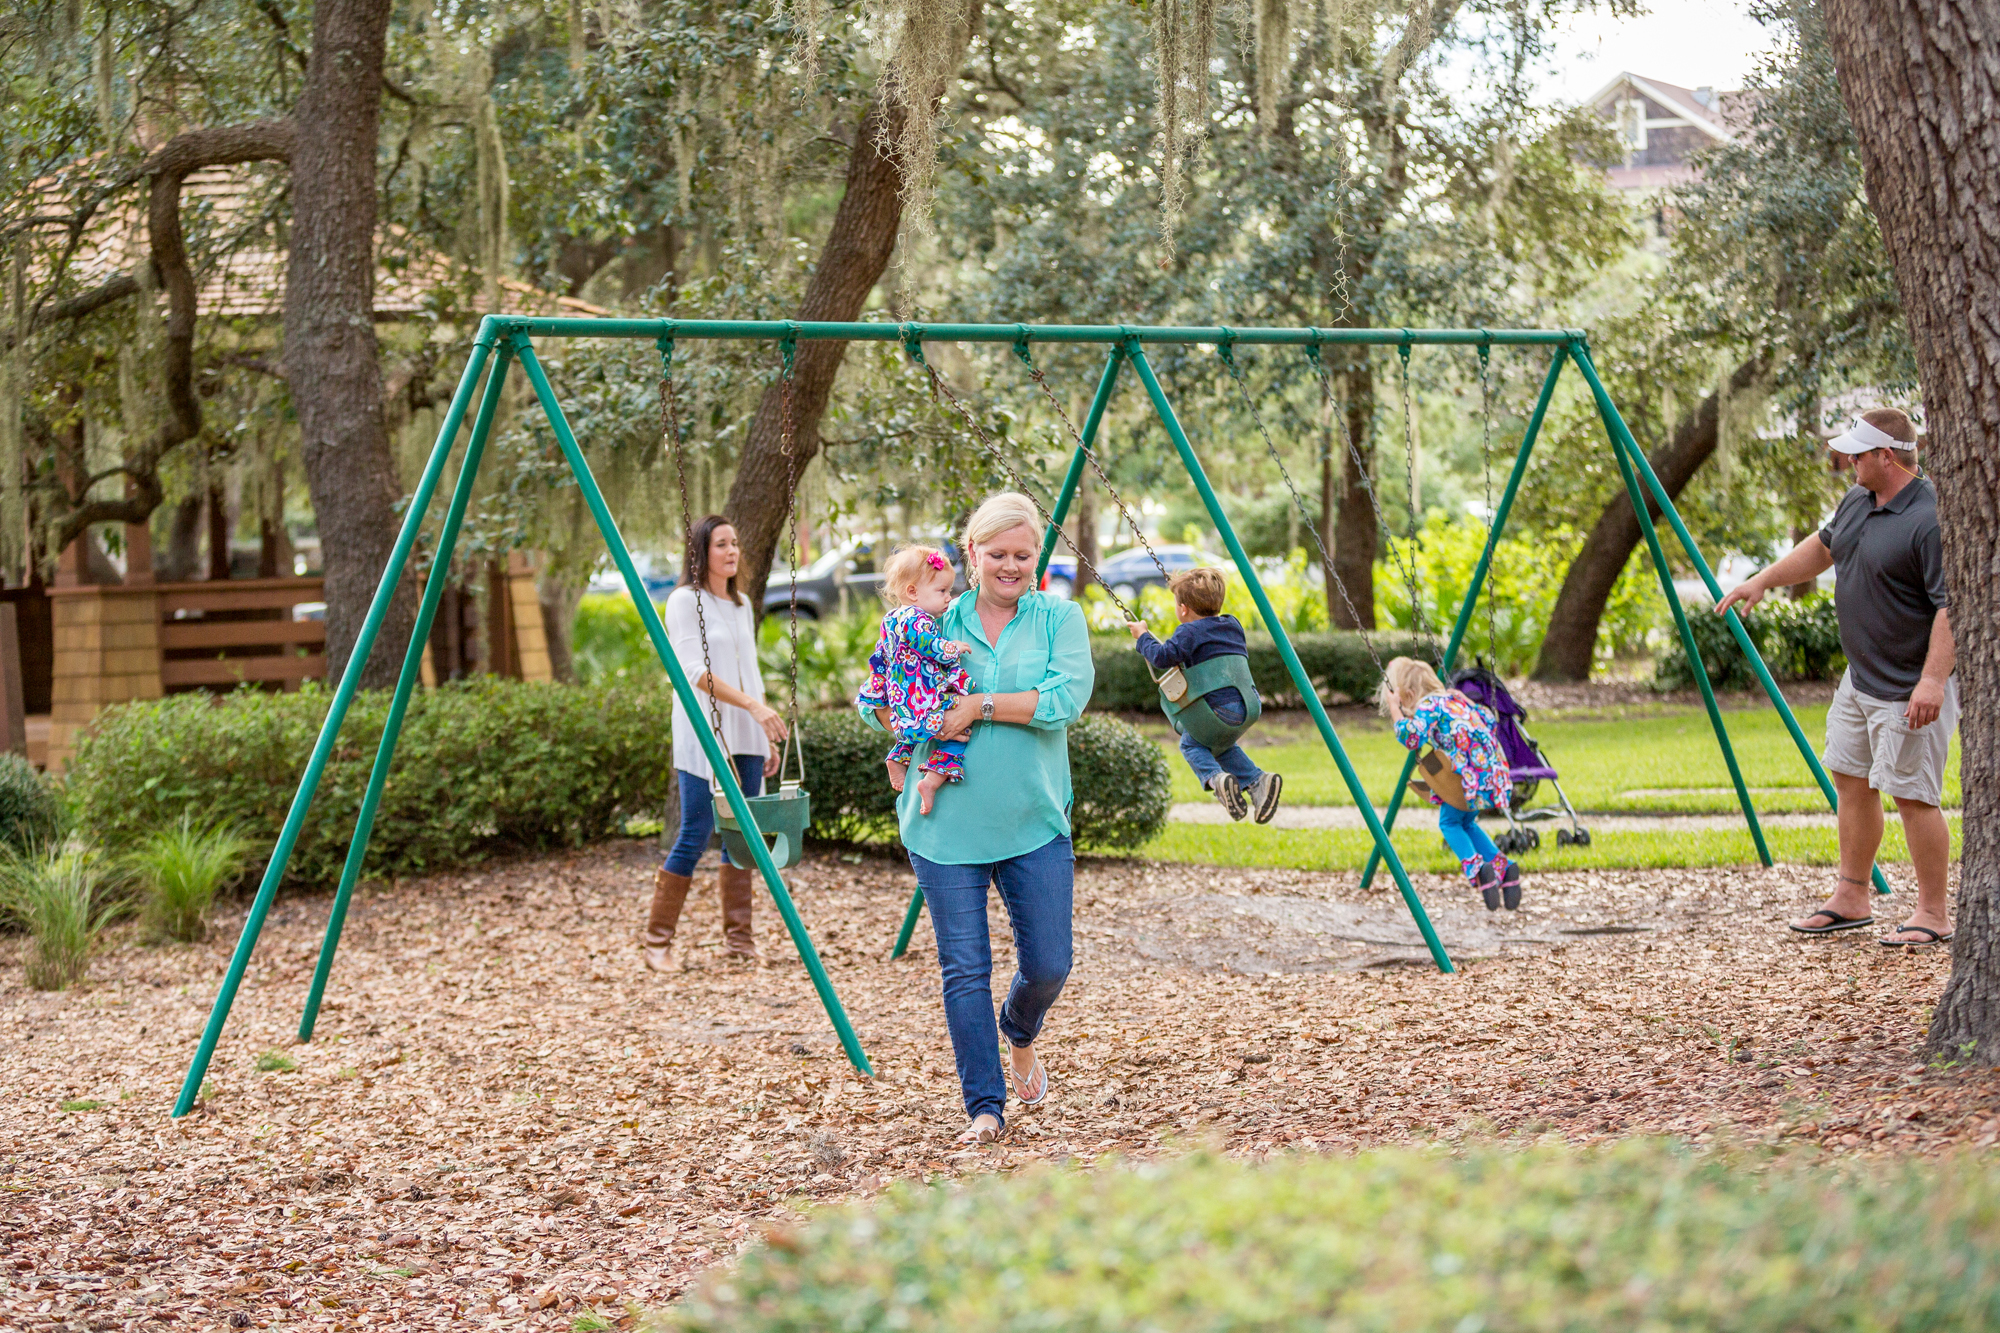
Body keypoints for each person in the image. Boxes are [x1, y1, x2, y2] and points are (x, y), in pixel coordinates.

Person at [860, 493, 1094, 1145]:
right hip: (946, 828)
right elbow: (875, 695)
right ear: (972, 554)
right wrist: (907, 722)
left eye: (1023, 555)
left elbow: (1063, 699)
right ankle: (984, 1107)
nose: (1011, 566)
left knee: (1048, 964)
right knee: (964, 966)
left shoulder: (1057, 617)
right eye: (997, 554)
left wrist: (979, 705)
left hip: (1035, 820)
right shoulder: (931, 613)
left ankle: (1020, 1031)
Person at [1717, 408, 1956, 947]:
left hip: (1910, 686)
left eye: (1855, 453)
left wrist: (1933, 681)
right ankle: (1851, 897)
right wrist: (1762, 581)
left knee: (1913, 796)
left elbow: (1952, 607)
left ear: (1885, 457)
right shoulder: (1857, 500)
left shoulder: (1932, 517)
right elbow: (1823, 548)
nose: (1845, 460)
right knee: (1850, 779)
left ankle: (1933, 913)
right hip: (1861, 679)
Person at [642, 514, 790, 971]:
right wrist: (753, 707)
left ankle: (739, 941)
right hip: (705, 729)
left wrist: (765, 733)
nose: (732, 551)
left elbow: (750, 670)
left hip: (747, 730)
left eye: (736, 543)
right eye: (722, 544)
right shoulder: (686, 601)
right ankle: (657, 942)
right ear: (702, 551)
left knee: (741, 836)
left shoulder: (742, 603)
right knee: (696, 829)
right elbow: (692, 672)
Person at [1124, 566, 1283, 823]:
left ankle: (1217, 780)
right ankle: (1257, 782)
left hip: (1217, 711)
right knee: (1219, 745)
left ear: (1183, 609)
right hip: (1249, 706)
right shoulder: (1232, 624)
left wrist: (1143, 636)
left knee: (1191, 742)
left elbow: (1162, 658)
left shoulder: (1188, 632)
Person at [1378, 656, 1522, 911]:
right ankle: (1504, 868)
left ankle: (1478, 869)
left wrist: (1394, 708)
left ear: (1411, 694)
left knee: (1449, 822)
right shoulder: (1455, 700)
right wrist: (1468, 703)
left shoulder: (1429, 706)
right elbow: (1489, 720)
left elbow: (1411, 738)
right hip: (1489, 773)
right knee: (1466, 822)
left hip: (1466, 779)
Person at [858, 546, 975, 816]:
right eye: (942, 591)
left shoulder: (892, 618)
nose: (949, 597)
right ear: (913, 592)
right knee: (957, 733)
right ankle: (931, 782)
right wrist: (953, 647)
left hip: (902, 691)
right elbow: (931, 647)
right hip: (920, 690)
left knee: (912, 727)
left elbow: (882, 653)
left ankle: (898, 757)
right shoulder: (918, 620)